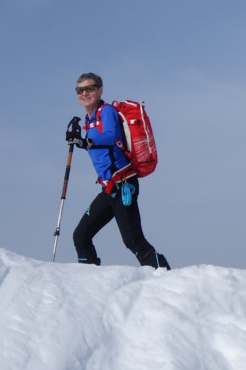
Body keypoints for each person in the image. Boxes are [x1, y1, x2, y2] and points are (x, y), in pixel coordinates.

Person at [65, 73, 169, 270]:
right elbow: (100, 149)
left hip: (123, 184)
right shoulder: (89, 120)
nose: (84, 93)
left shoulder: (106, 111)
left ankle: (166, 276)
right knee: (81, 236)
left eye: (89, 88)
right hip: (109, 189)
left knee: (134, 240)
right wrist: (79, 140)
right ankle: (88, 281)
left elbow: (110, 137)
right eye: (79, 90)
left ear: (100, 90)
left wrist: (84, 141)